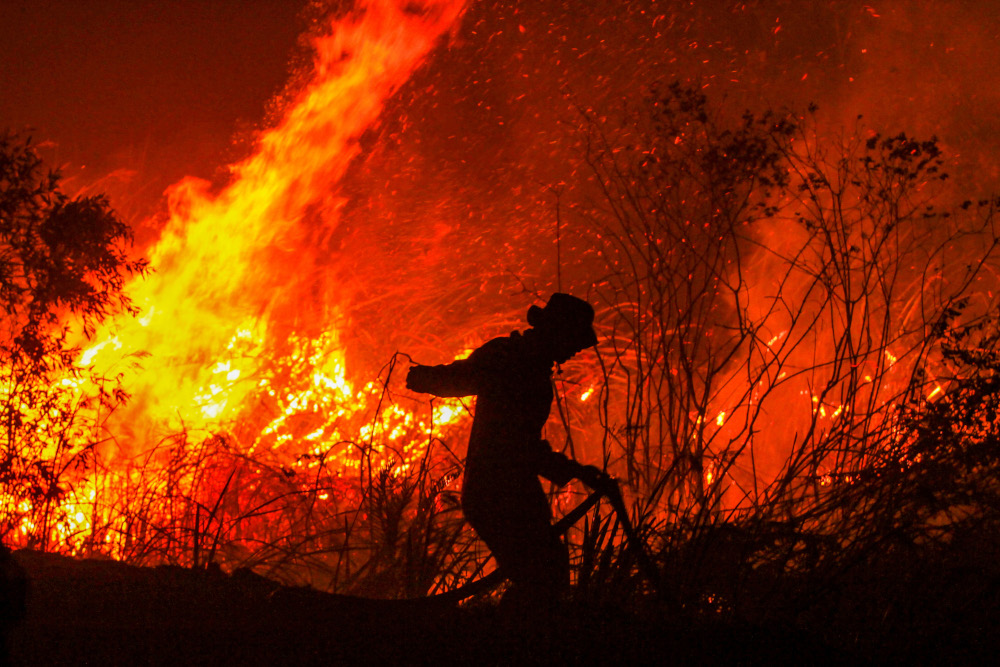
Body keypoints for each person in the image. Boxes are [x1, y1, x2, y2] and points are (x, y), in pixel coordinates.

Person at [405, 293, 605, 610]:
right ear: (557, 333)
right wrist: (427, 377)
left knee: (545, 576)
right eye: (573, 341)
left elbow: (522, 442)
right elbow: (463, 379)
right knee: (543, 578)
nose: (574, 351)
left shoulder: (530, 369)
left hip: (511, 490)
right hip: (497, 493)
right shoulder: (511, 360)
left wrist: (576, 472)